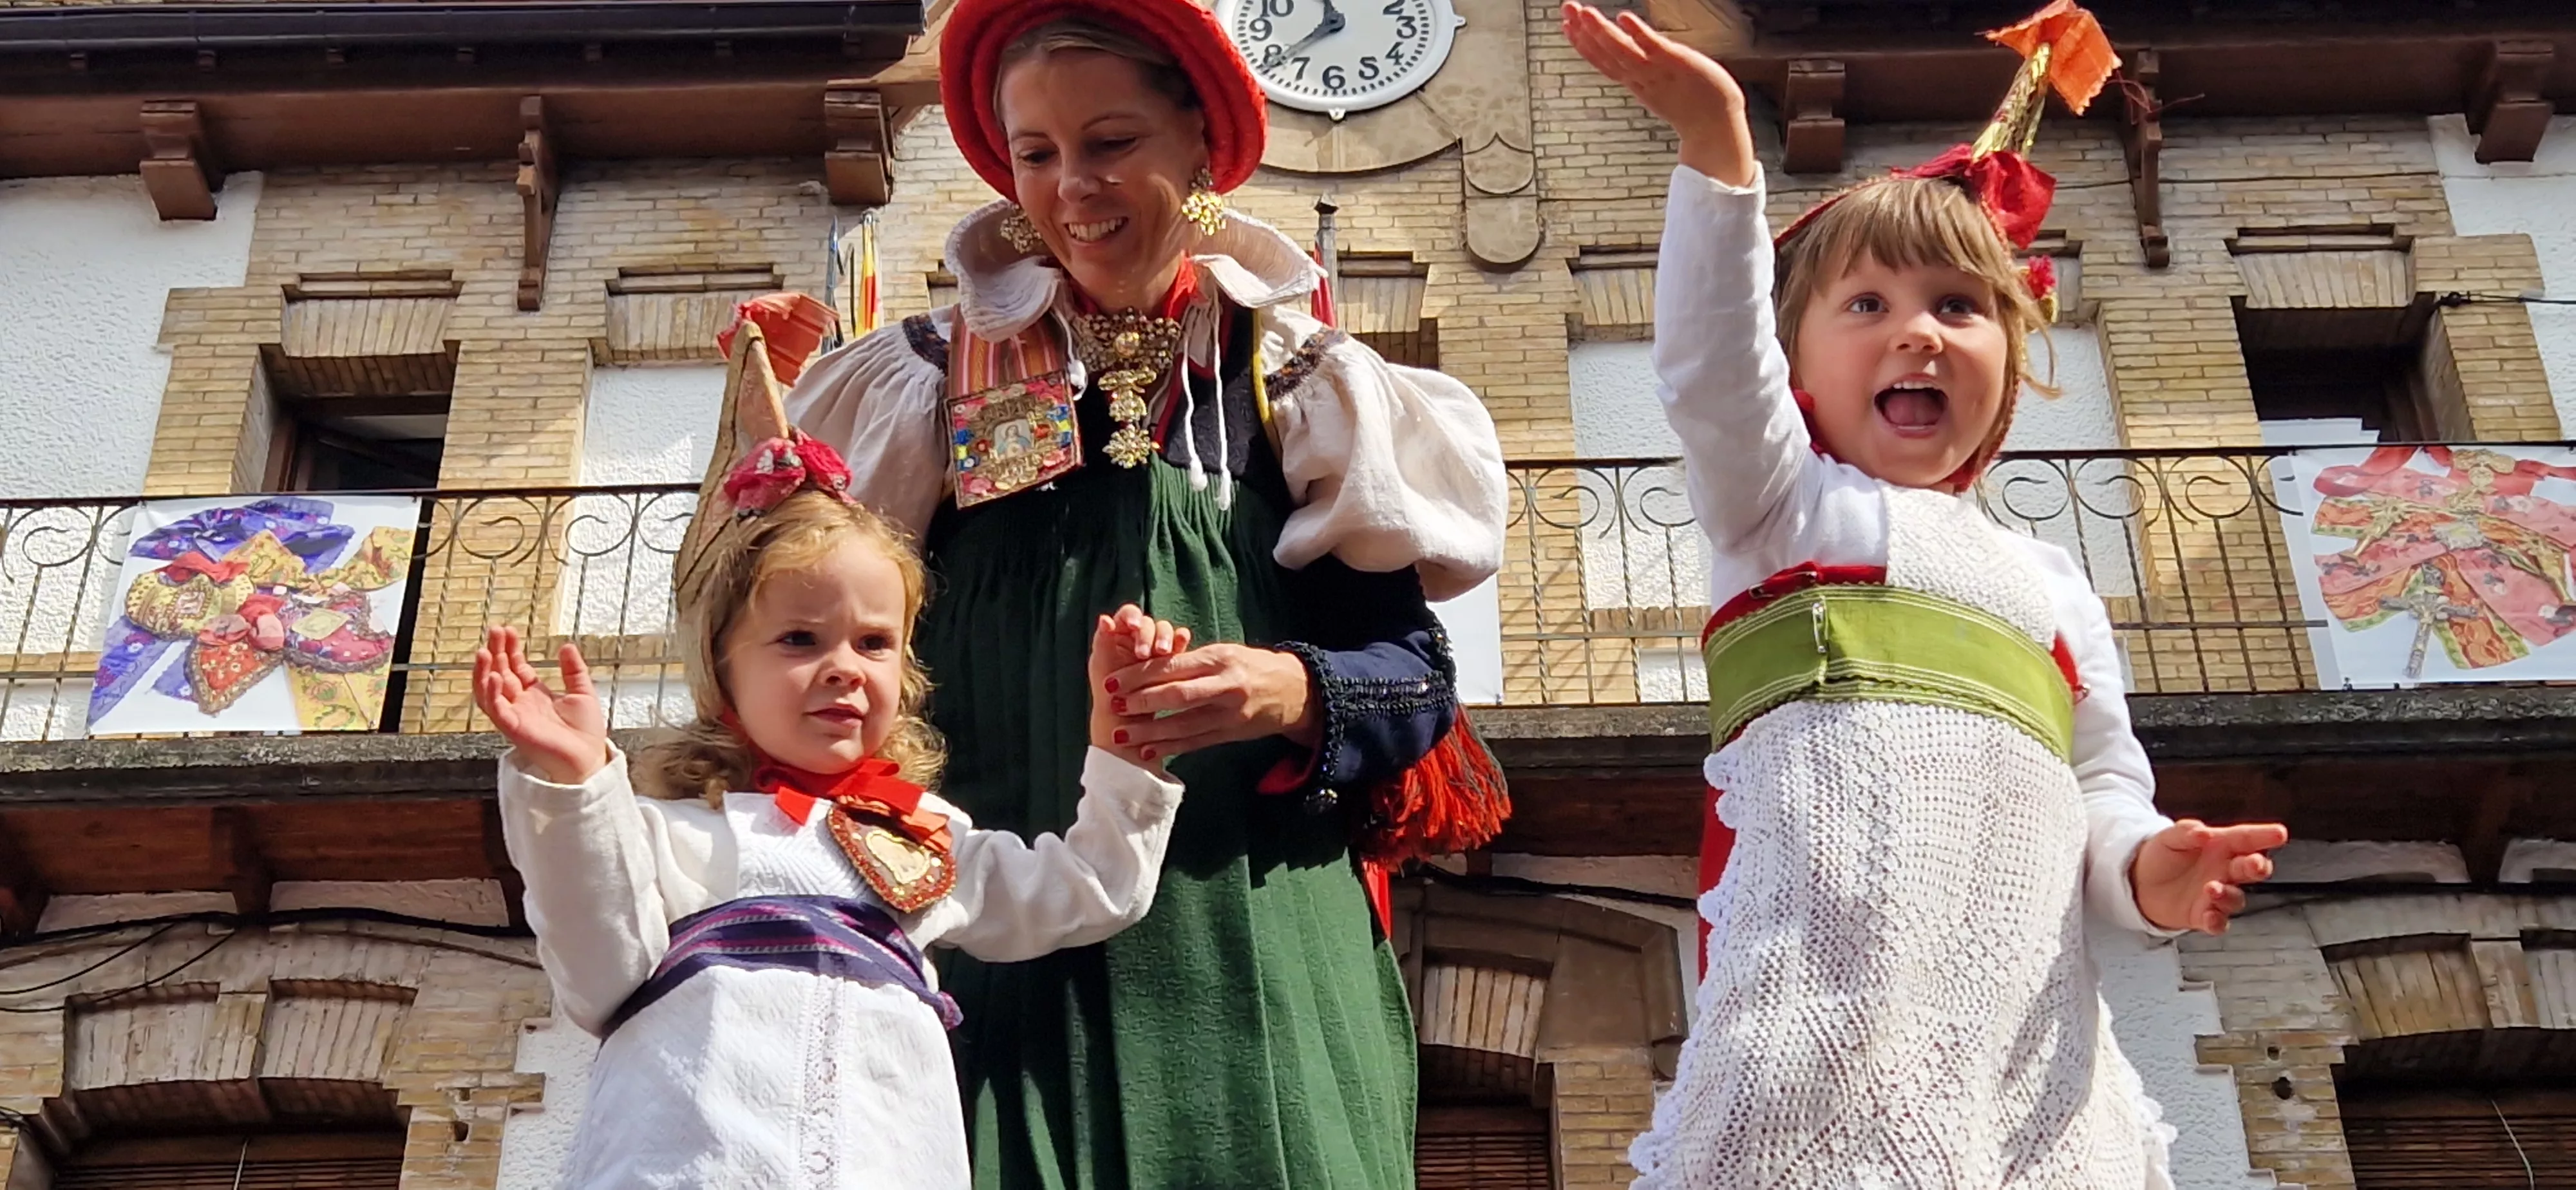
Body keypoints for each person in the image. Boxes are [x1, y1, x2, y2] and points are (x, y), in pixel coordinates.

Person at [752, 0, 1512, 1184]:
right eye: (1036, 154)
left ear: (1199, 142)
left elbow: (1416, 681)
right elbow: (799, 647)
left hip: (1249, 949)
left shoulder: (1297, 379)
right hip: (988, 933)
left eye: (1110, 144)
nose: (1070, 190)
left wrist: (1288, 687)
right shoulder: (909, 383)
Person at [1562, 2, 2290, 1185]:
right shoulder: (1779, 506)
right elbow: (1707, 366)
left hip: (2030, 1052)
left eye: (1959, 306)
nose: (1920, 334)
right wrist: (1718, 150)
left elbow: (2103, 785)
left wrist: (2153, 873)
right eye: (1868, 305)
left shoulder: (2051, 580)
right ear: (1793, 366)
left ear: (2010, 356)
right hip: (1823, 1019)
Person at [478, 323, 1192, 1187]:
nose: (843, 668)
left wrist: (1123, 747)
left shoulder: (927, 835)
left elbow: (1089, 891)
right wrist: (577, 782)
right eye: (799, 638)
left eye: (874, 642)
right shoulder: (666, 830)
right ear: (722, 677)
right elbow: (600, 976)